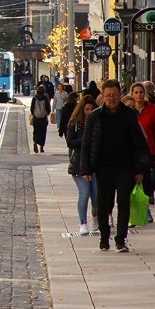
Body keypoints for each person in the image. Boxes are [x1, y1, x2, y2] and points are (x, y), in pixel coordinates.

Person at [77, 78, 151, 252]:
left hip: (125, 166)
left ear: (120, 95)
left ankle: (120, 239)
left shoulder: (129, 114)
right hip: (103, 167)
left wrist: (140, 169)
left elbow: (139, 143)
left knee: (123, 201)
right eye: (108, 96)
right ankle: (104, 236)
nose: (111, 99)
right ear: (103, 96)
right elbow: (86, 144)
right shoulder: (95, 116)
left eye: (115, 95)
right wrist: (85, 169)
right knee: (104, 204)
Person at [130, 82, 155, 205]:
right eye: (136, 92)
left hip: (149, 150)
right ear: (132, 94)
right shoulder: (129, 111)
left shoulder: (152, 110)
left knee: (149, 179)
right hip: (133, 152)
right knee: (134, 181)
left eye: (141, 92)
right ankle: (139, 206)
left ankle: (147, 197)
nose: (139, 95)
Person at [65, 96, 97, 235]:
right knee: (84, 193)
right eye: (86, 109)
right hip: (79, 164)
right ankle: (83, 223)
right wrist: (85, 140)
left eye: (92, 109)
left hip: (96, 164)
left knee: (96, 195)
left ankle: (95, 217)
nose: (89, 112)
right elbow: (70, 142)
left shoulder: (98, 122)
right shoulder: (75, 124)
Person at [29, 83, 52, 153]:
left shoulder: (34, 98)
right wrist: (46, 113)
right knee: (43, 132)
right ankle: (41, 146)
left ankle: (35, 142)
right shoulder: (45, 98)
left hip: (36, 117)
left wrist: (33, 114)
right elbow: (48, 108)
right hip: (43, 118)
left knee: (36, 131)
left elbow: (32, 108)